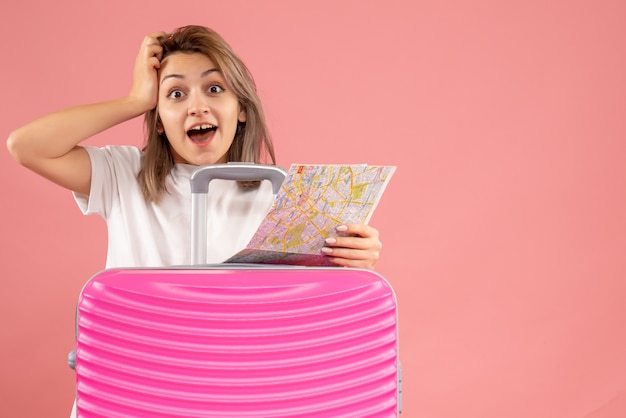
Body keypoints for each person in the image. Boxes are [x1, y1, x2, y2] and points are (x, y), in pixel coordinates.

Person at [6, 25, 383, 416]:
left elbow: (303, 323)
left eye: (214, 89)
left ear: (241, 109)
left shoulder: (283, 197)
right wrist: (135, 100)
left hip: (238, 396)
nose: (197, 106)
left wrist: (354, 262)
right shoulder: (124, 174)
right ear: (157, 119)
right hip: (135, 394)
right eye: (175, 94)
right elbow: (26, 146)